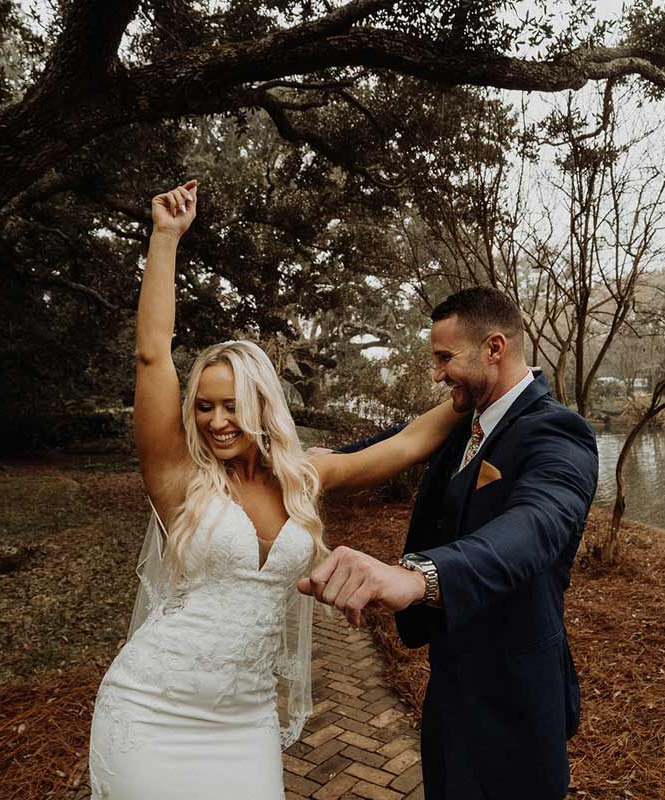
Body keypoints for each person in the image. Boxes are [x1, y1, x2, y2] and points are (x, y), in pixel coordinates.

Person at [88, 181, 463, 799]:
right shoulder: (179, 479)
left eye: (230, 405)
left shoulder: (303, 476)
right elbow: (152, 356)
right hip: (152, 707)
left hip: (244, 720)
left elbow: (404, 446)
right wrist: (164, 240)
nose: (215, 421)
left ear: (262, 404)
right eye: (204, 407)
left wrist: (484, 389)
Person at [299, 286, 599, 800]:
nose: (437, 373)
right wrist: (294, 462)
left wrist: (420, 577)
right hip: (451, 686)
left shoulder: (558, 433)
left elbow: (536, 526)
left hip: (516, 700)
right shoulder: (464, 420)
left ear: (495, 348)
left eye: (444, 358)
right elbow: (379, 448)